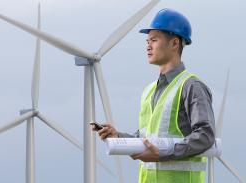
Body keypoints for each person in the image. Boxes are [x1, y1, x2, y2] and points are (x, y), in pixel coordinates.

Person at [91, 9, 215, 183]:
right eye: (147, 41)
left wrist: (164, 152)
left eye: (154, 40)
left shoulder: (192, 86)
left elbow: (205, 136)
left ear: (174, 43)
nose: (148, 45)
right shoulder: (149, 91)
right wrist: (118, 137)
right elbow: (147, 140)